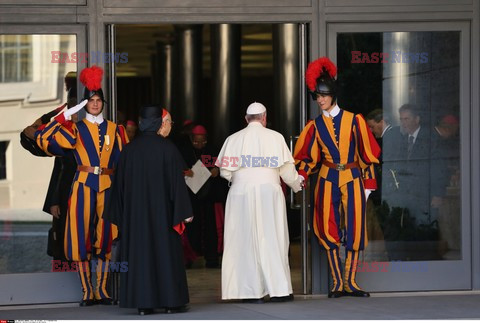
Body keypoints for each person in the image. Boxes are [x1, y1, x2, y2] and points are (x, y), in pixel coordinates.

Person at [35, 66, 128, 306]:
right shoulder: (74, 128)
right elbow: (44, 140)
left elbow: (124, 161)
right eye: (91, 100)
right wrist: (67, 115)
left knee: (107, 236)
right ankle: (88, 291)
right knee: (80, 237)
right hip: (83, 185)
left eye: (98, 100)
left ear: (103, 103)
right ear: (84, 103)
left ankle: (103, 290)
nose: (95, 104)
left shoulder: (115, 130)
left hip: (108, 185)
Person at [294, 57, 380, 298]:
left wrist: (369, 183)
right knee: (327, 227)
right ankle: (336, 283)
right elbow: (307, 157)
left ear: (333, 94)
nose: (319, 99)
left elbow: (368, 155)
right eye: (317, 96)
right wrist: (301, 174)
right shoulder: (313, 126)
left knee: (355, 228)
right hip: (326, 178)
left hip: (353, 177)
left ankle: (350, 282)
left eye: (322, 95)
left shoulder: (356, 121)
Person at [104, 105, 193, 315]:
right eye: (169, 122)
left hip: (136, 218)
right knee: (165, 255)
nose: (170, 126)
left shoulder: (129, 150)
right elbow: (177, 185)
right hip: (163, 215)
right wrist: (183, 210)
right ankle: (171, 303)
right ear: (160, 124)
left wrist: (122, 215)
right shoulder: (168, 148)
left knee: (140, 257)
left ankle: (143, 305)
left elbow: (119, 188)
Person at [215, 102, 303, 303]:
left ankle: (248, 292)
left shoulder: (233, 139)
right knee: (272, 237)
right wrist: (297, 185)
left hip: (240, 193)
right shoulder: (275, 137)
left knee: (243, 240)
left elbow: (224, 171)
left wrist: (242, 180)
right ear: (264, 117)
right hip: (268, 191)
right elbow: (287, 172)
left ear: (246, 119)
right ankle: (279, 290)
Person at [179, 124, 224, 268]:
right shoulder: (184, 151)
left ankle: (212, 259)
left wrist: (217, 170)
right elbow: (179, 169)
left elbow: (221, 166)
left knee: (211, 228)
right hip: (190, 197)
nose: (200, 144)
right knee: (191, 228)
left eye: (203, 141)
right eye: (196, 141)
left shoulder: (212, 150)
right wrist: (187, 172)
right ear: (191, 139)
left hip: (209, 197)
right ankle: (189, 259)